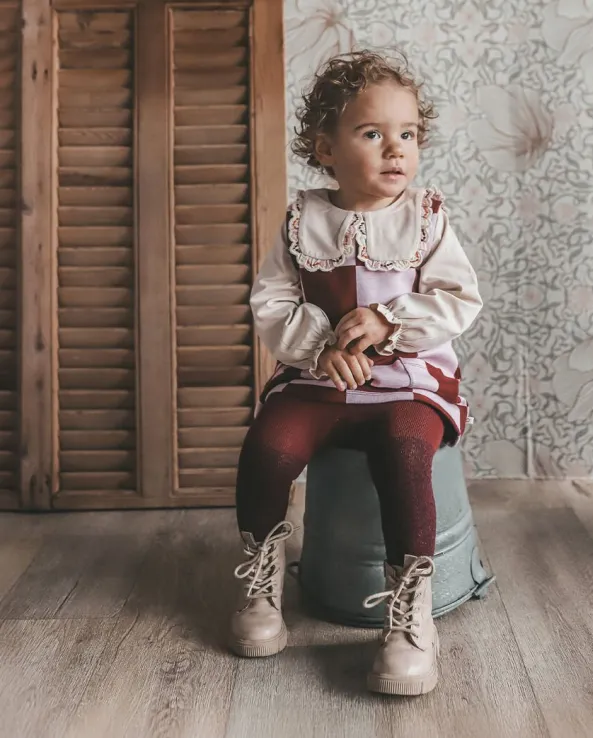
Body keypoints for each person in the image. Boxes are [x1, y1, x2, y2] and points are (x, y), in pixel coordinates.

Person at [230, 49, 482, 696]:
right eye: (372, 133)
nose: (396, 149)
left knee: (405, 452)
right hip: (320, 384)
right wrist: (318, 346)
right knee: (268, 447)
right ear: (326, 149)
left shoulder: (426, 219)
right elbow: (271, 301)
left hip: (409, 386)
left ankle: (410, 611)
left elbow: (459, 300)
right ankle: (261, 584)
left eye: (409, 134)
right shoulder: (303, 221)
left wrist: (390, 321)